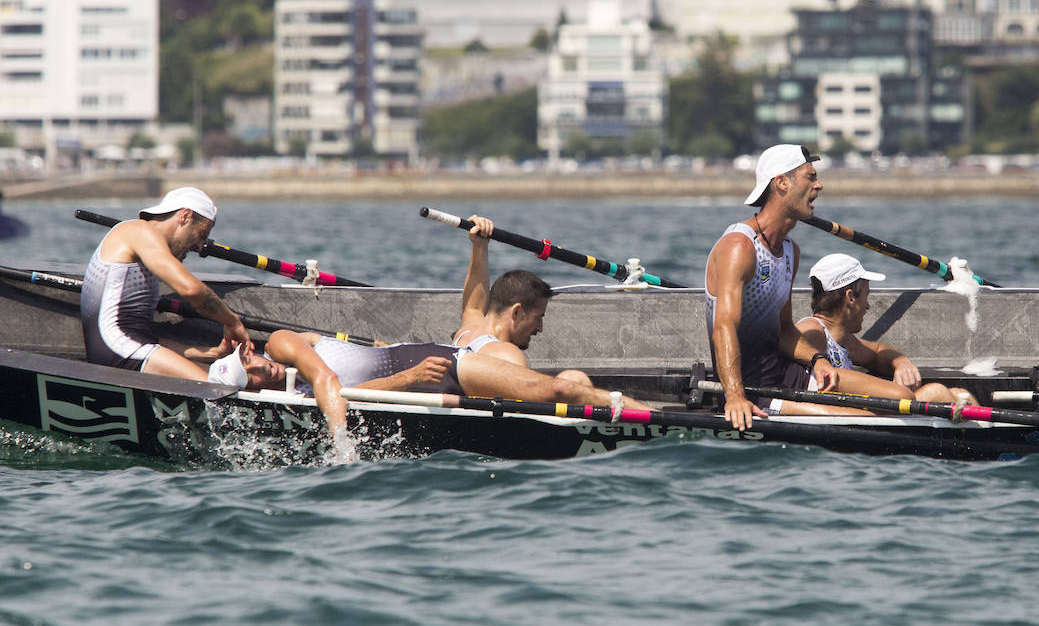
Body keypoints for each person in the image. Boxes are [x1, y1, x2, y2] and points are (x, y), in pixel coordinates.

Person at [705, 144, 840, 431]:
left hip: (786, 377)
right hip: (755, 394)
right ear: (781, 183)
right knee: (867, 417)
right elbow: (723, 327)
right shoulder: (739, 246)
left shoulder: (791, 250)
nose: (819, 185)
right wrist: (735, 397)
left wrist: (818, 360)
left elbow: (785, 332)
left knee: (900, 395)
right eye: (810, 177)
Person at [238, 330, 650, 413]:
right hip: (422, 382)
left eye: (248, 358)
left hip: (444, 364)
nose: (259, 367)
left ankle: (660, 420)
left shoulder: (281, 343)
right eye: (250, 376)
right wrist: (407, 380)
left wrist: (408, 374)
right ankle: (626, 421)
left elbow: (334, 383)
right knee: (572, 385)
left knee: (563, 392)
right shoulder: (300, 400)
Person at [81, 186, 252, 380]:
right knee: (220, 385)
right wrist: (232, 321)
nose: (199, 247)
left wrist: (211, 353)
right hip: (119, 348)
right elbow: (191, 290)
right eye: (202, 235)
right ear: (185, 216)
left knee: (230, 377)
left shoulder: (148, 254)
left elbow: (143, 336)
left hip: (123, 348)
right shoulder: (139, 229)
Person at [797, 253, 972, 405]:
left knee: (961, 394)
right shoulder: (812, 330)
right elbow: (791, 338)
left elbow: (878, 351)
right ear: (850, 297)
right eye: (867, 294)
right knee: (935, 393)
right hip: (834, 424)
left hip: (852, 415)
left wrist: (901, 362)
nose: (868, 306)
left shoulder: (844, 339)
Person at [451, 215, 592, 386]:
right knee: (575, 379)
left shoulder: (465, 334)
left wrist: (479, 246)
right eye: (538, 317)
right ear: (516, 312)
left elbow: (473, 307)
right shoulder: (507, 356)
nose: (540, 328)